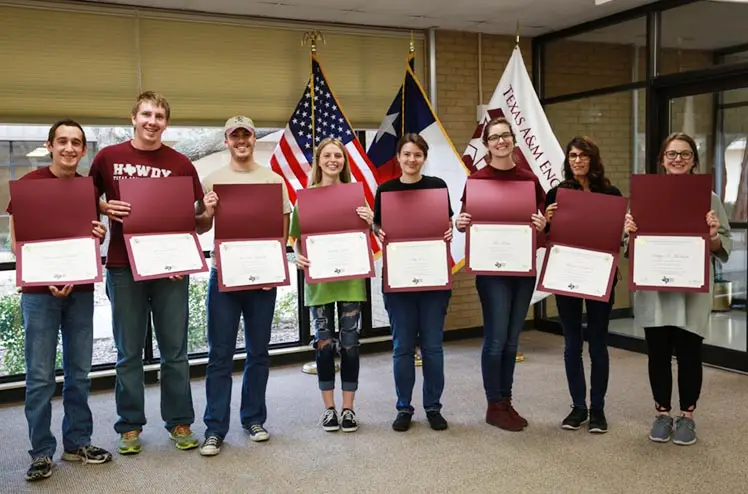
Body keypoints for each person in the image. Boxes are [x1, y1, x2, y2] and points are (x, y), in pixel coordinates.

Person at [89, 91, 208, 454]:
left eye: (159, 115)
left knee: (175, 350)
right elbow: (83, 200)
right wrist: (105, 206)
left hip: (171, 271)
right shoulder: (108, 158)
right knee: (128, 351)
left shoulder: (181, 164)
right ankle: (129, 426)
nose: (152, 121)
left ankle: (179, 421)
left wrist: (209, 215)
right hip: (124, 266)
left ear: (166, 123)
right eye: (146, 114)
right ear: (133, 118)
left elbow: (198, 222)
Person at [8, 120, 112, 481]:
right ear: (50, 145)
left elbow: (86, 240)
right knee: (39, 377)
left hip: (80, 289)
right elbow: (17, 241)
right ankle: (41, 453)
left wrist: (99, 234)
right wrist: (46, 277)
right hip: (39, 293)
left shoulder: (89, 189)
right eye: (63, 141)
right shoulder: (28, 186)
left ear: (84, 150)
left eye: (77, 143)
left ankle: (77, 441)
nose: (70, 148)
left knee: (79, 374)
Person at [624, 132, 732, 446]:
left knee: (688, 354)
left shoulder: (708, 197)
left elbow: (721, 245)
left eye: (685, 154)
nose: (678, 159)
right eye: (672, 154)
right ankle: (661, 413)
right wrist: (629, 233)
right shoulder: (644, 195)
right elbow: (630, 246)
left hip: (692, 289)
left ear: (694, 160)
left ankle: (687, 417)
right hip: (655, 287)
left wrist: (712, 234)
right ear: (662, 159)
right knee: (657, 354)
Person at [197, 116, 291, 456]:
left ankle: (254, 418)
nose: (241, 141)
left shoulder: (273, 180)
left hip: (262, 280)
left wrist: (274, 268)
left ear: (253, 139)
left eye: (246, 135)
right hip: (223, 277)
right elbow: (200, 229)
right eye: (234, 136)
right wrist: (206, 213)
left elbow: (283, 228)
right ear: (226, 141)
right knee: (219, 355)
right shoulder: (211, 180)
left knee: (258, 352)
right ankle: (214, 428)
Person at [455, 117, 546, 432]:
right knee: (495, 339)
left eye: (505, 135)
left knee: (511, 341)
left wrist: (541, 226)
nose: (501, 141)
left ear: (513, 140)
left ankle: (505, 401)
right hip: (492, 272)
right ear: (487, 144)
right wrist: (460, 224)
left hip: (521, 268)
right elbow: (465, 220)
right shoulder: (477, 180)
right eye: (494, 137)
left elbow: (541, 222)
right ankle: (494, 405)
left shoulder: (529, 180)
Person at [372, 133, 453, 432]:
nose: (411, 160)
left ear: (424, 157)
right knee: (402, 347)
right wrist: (377, 229)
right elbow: (378, 224)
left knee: (433, 347)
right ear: (398, 157)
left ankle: (433, 407)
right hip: (399, 280)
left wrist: (449, 233)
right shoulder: (386, 190)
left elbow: (446, 225)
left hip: (433, 279)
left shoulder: (437, 187)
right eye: (406, 154)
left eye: (417, 154)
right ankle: (403, 407)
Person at [291, 137, 372, 433]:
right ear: (319, 160)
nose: (333, 160)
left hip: (350, 282)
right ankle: (329, 409)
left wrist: (371, 219)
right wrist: (298, 258)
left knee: (350, 347)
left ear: (344, 161)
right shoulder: (306, 198)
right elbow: (296, 239)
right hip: (320, 283)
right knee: (324, 347)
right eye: (327, 155)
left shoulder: (355, 197)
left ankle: (348, 408)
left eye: (338, 155)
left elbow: (368, 234)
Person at [544, 136, 622, 434]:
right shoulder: (557, 193)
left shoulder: (610, 193)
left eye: (583, 155)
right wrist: (548, 221)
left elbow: (615, 238)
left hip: (600, 274)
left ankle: (598, 410)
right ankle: (578, 407)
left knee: (598, 344)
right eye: (572, 155)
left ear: (593, 158)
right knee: (572, 343)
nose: (577, 160)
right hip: (566, 274)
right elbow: (550, 238)